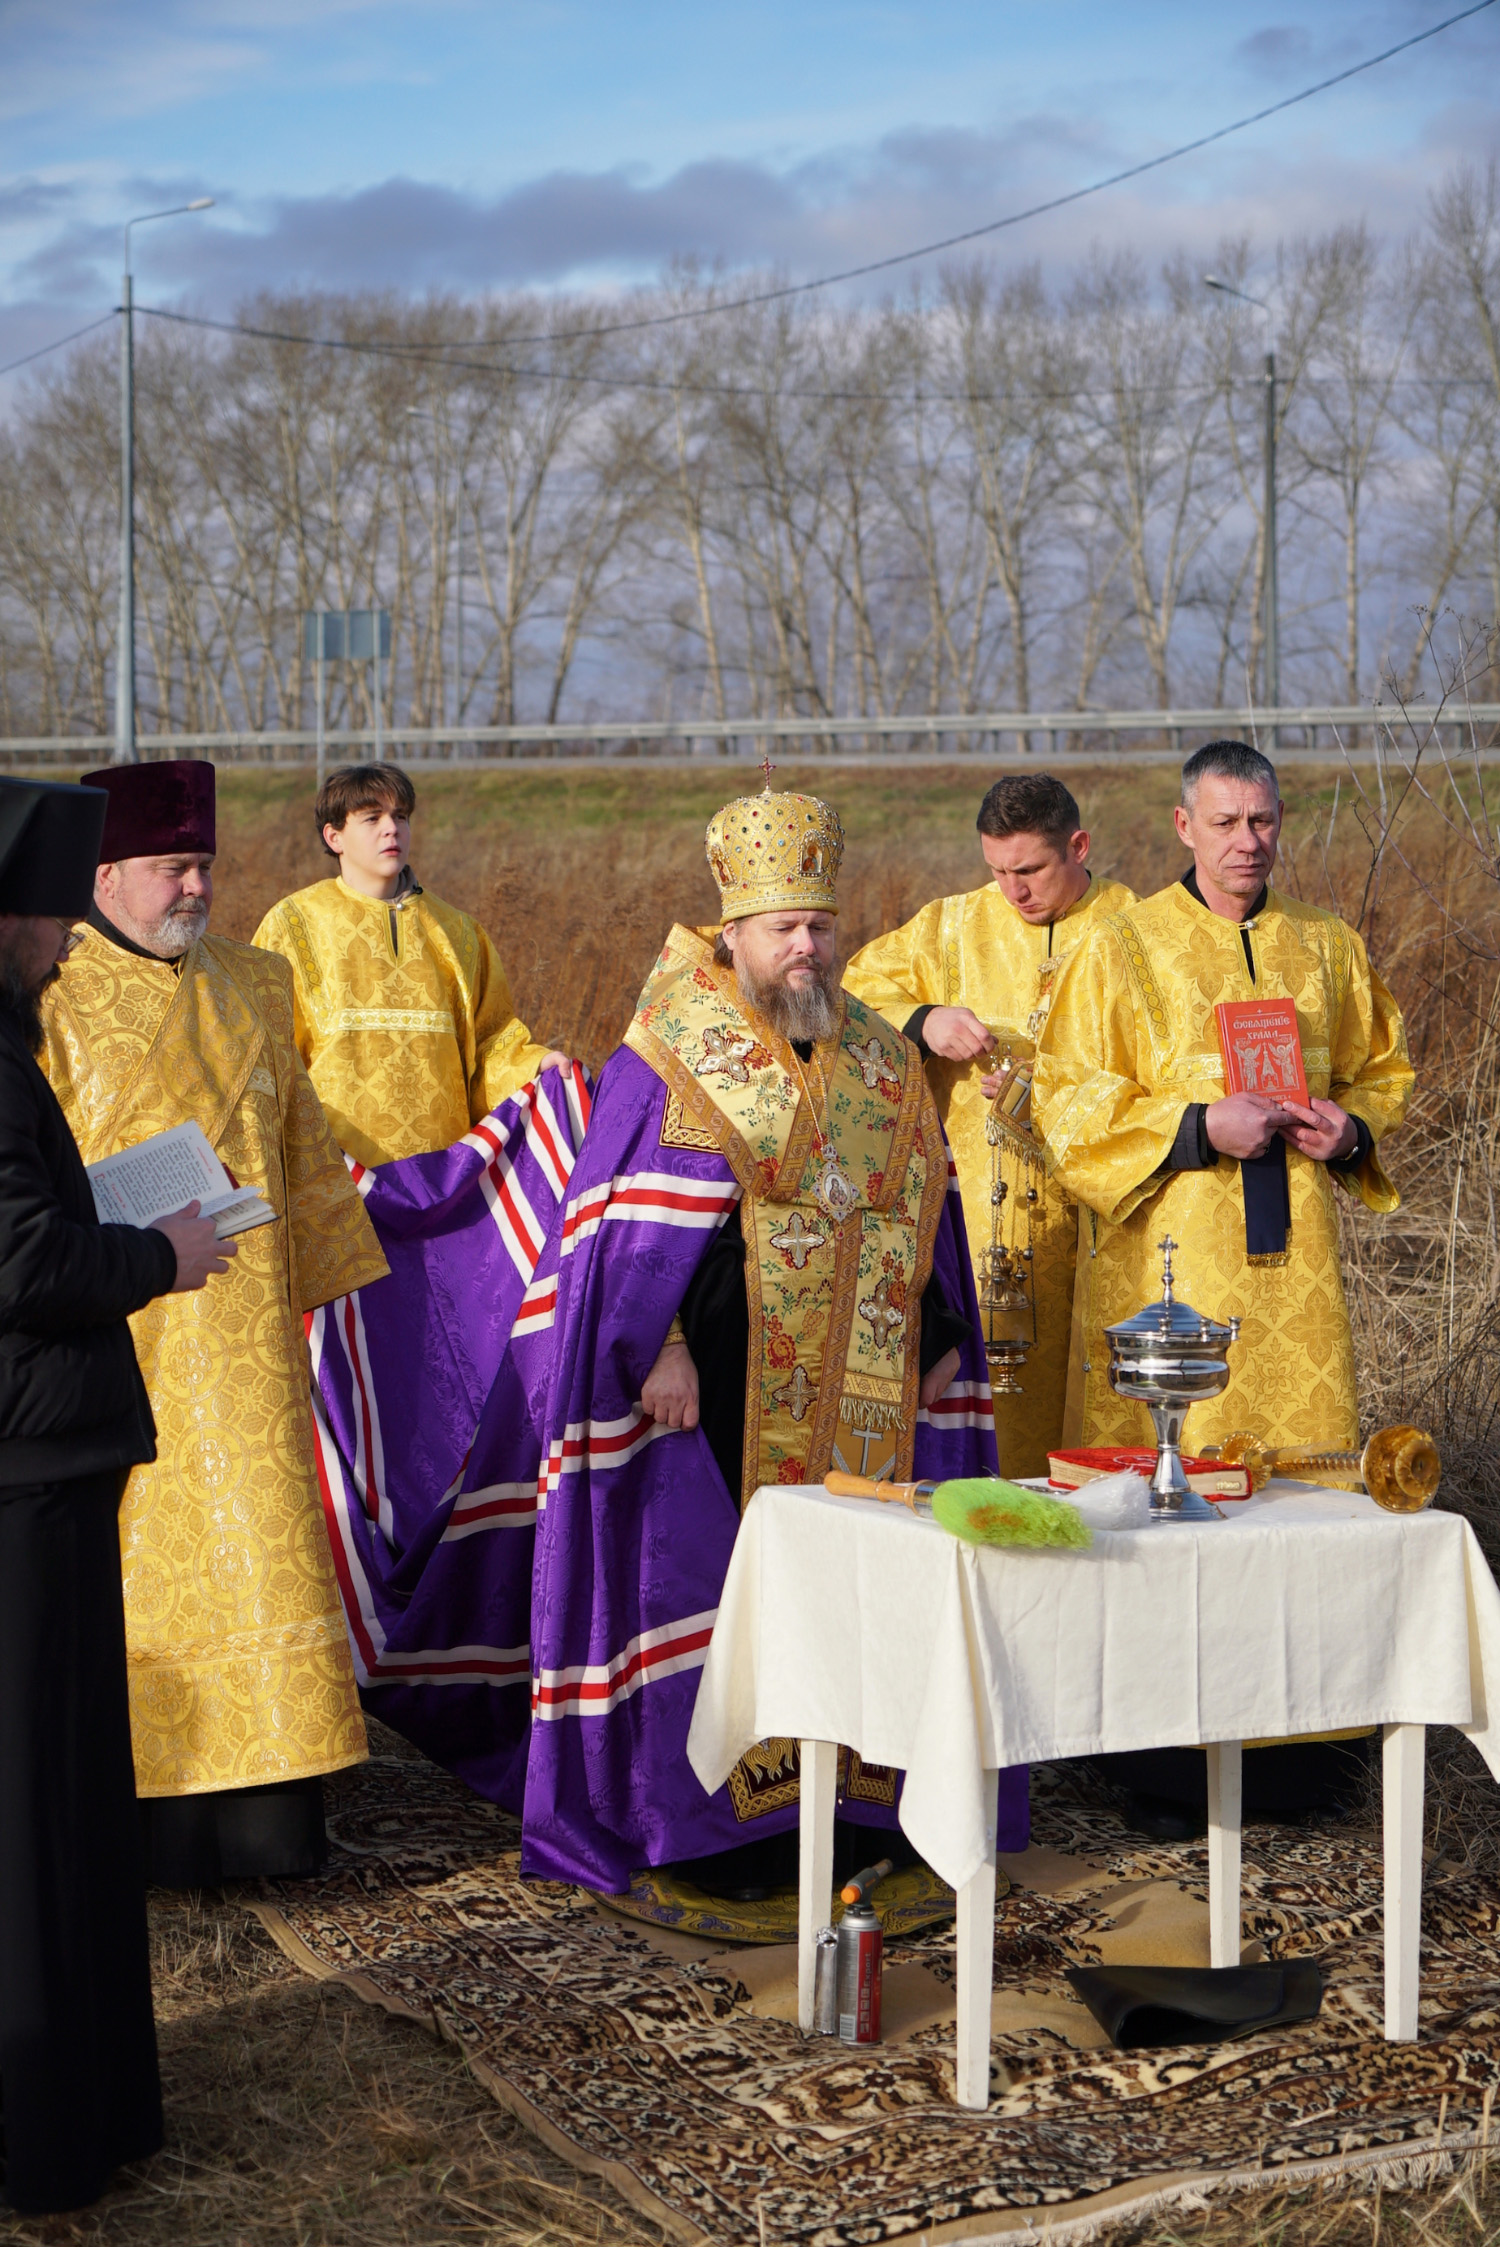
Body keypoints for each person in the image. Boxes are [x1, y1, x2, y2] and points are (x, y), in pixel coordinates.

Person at [460, 777, 1028, 1896]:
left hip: (863, 1381)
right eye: (783, 929)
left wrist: (938, 1332)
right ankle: (729, 1826)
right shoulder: (673, 1048)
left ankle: (856, 1807)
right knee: (727, 1592)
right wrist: (660, 1344)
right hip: (718, 1381)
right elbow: (619, 1227)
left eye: (820, 924)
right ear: (734, 931)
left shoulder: (879, 1052)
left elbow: (922, 1206)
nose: (806, 947)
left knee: (858, 1585)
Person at [1032, 739, 1415, 1834]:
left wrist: (1350, 1131)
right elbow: (1068, 1102)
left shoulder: (1325, 946)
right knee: (1175, 1504)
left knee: (1300, 1504)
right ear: (1183, 827)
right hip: (1174, 1276)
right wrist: (1201, 1123)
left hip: (1296, 1285)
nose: (1249, 842)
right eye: (1227, 822)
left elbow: (1382, 1068)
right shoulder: (1121, 945)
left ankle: (1305, 1758)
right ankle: (1161, 1767)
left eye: (1264, 821)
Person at [39, 759, 389, 1886]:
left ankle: (268, 1821)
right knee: (137, 1563)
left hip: (242, 1331)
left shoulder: (259, 978)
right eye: (170, 867)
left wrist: (322, 1277)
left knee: (262, 1556)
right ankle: (142, 1821)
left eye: (203, 865)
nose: (195, 887)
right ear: (104, 874)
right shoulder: (49, 987)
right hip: (117, 1323)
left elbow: (300, 1140)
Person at [0, 774, 230, 2213]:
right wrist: (161, 1254)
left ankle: (85, 2097)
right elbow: (18, 1261)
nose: (64, 947)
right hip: (24, 1472)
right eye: (48, 922)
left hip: (47, 1460)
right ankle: (42, 2125)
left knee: (69, 1788)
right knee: (35, 1801)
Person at [844, 773, 1135, 1476]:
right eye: (998, 871)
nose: (1013, 891)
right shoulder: (950, 926)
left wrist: (1054, 1092)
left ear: (1078, 846)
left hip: (1103, 1220)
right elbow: (852, 993)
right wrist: (924, 1021)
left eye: (1029, 870)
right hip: (979, 1222)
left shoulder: (1135, 929)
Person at [252, 762, 566, 1165]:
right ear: (334, 837)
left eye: (400, 816)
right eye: (372, 818)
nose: (392, 828)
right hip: (333, 1173)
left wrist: (536, 1065)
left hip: (443, 1177)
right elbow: (267, 1054)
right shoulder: (292, 924)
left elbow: (491, 1043)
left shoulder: (459, 932)